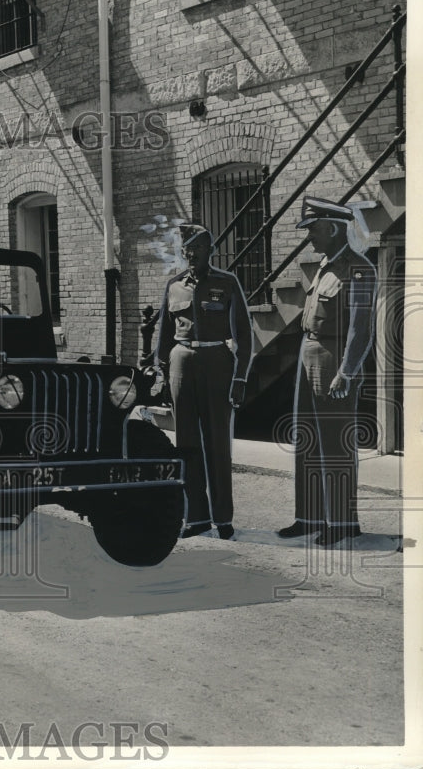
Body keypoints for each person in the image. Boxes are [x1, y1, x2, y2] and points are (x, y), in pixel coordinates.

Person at [278, 195, 377, 547]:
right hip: (309, 352)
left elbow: (360, 328)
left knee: (335, 444)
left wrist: (347, 372)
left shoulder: (359, 268)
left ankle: (341, 522)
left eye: (315, 230)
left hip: (334, 359)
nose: (310, 237)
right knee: (306, 440)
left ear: (334, 228)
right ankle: (308, 517)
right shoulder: (324, 266)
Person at [155, 223, 254, 540]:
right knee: (186, 443)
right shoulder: (174, 286)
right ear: (182, 253)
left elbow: (244, 334)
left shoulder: (226, 283)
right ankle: (195, 517)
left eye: (198, 248)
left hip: (217, 365)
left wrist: (239, 377)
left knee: (217, 444)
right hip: (181, 366)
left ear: (210, 251)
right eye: (187, 250)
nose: (192, 254)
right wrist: (161, 376)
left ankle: (222, 517)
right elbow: (164, 338)